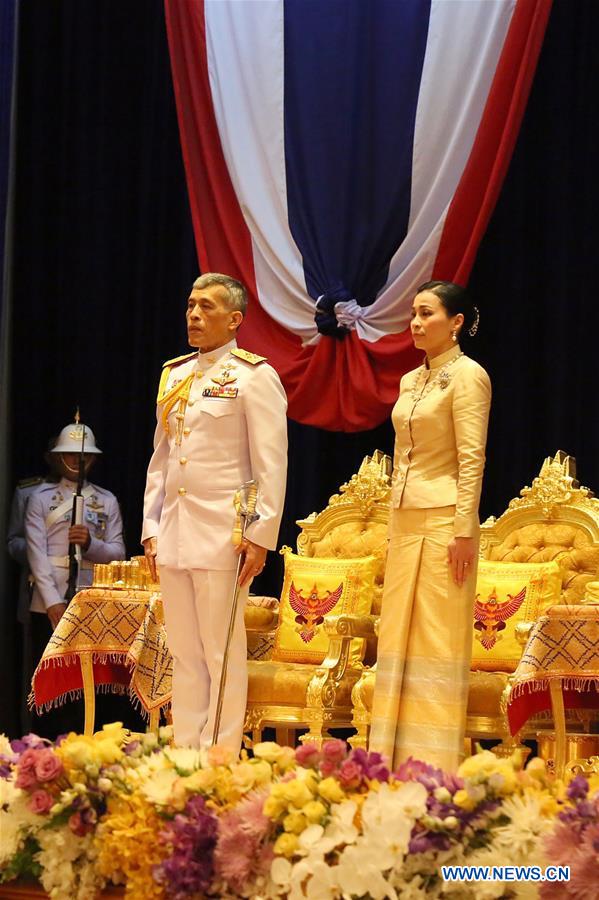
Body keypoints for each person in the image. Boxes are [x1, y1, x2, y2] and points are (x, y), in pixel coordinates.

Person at [142, 273, 288, 753]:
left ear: (235, 319)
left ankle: (218, 757)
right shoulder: (175, 374)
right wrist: (150, 527)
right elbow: (162, 458)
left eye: (206, 307)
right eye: (190, 305)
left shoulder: (254, 376)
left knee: (221, 651)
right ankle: (186, 753)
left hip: (226, 534)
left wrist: (261, 534)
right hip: (175, 532)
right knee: (184, 653)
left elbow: (271, 462)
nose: (194, 315)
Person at [369, 280, 491, 772]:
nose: (416, 323)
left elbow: (471, 458)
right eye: (413, 314)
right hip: (404, 518)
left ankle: (434, 765)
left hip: (445, 522)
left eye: (427, 314)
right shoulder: (410, 381)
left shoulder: (469, 376)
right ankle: (388, 760)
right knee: (396, 635)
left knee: (437, 637)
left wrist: (465, 531)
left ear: (456, 322)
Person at [25, 420, 126, 737]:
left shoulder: (106, 501)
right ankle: (48, 745)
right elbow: (36, 554)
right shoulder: (40, 499)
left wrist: (91, 544)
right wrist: (53, 602)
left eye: (83, 456)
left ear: (92, 460)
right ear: (58, 457)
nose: (76, 461)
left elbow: (118, 552)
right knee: (52, 680)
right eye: (69, 454)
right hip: (50, 600)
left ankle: (91, 739)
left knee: (89, 681)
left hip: (93, 600)